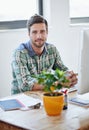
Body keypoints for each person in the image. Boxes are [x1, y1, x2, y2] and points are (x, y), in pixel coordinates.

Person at [11, 14, 78, 94]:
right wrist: (58, 83)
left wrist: (70, 77)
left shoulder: (52, 49)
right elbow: (25, 85)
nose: (39, 36)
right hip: (22, 99)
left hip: (43, 96)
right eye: (34, 32)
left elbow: (62, 70)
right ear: (29, 34)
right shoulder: (19, 53)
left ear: (47, 32)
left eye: (42, 31)